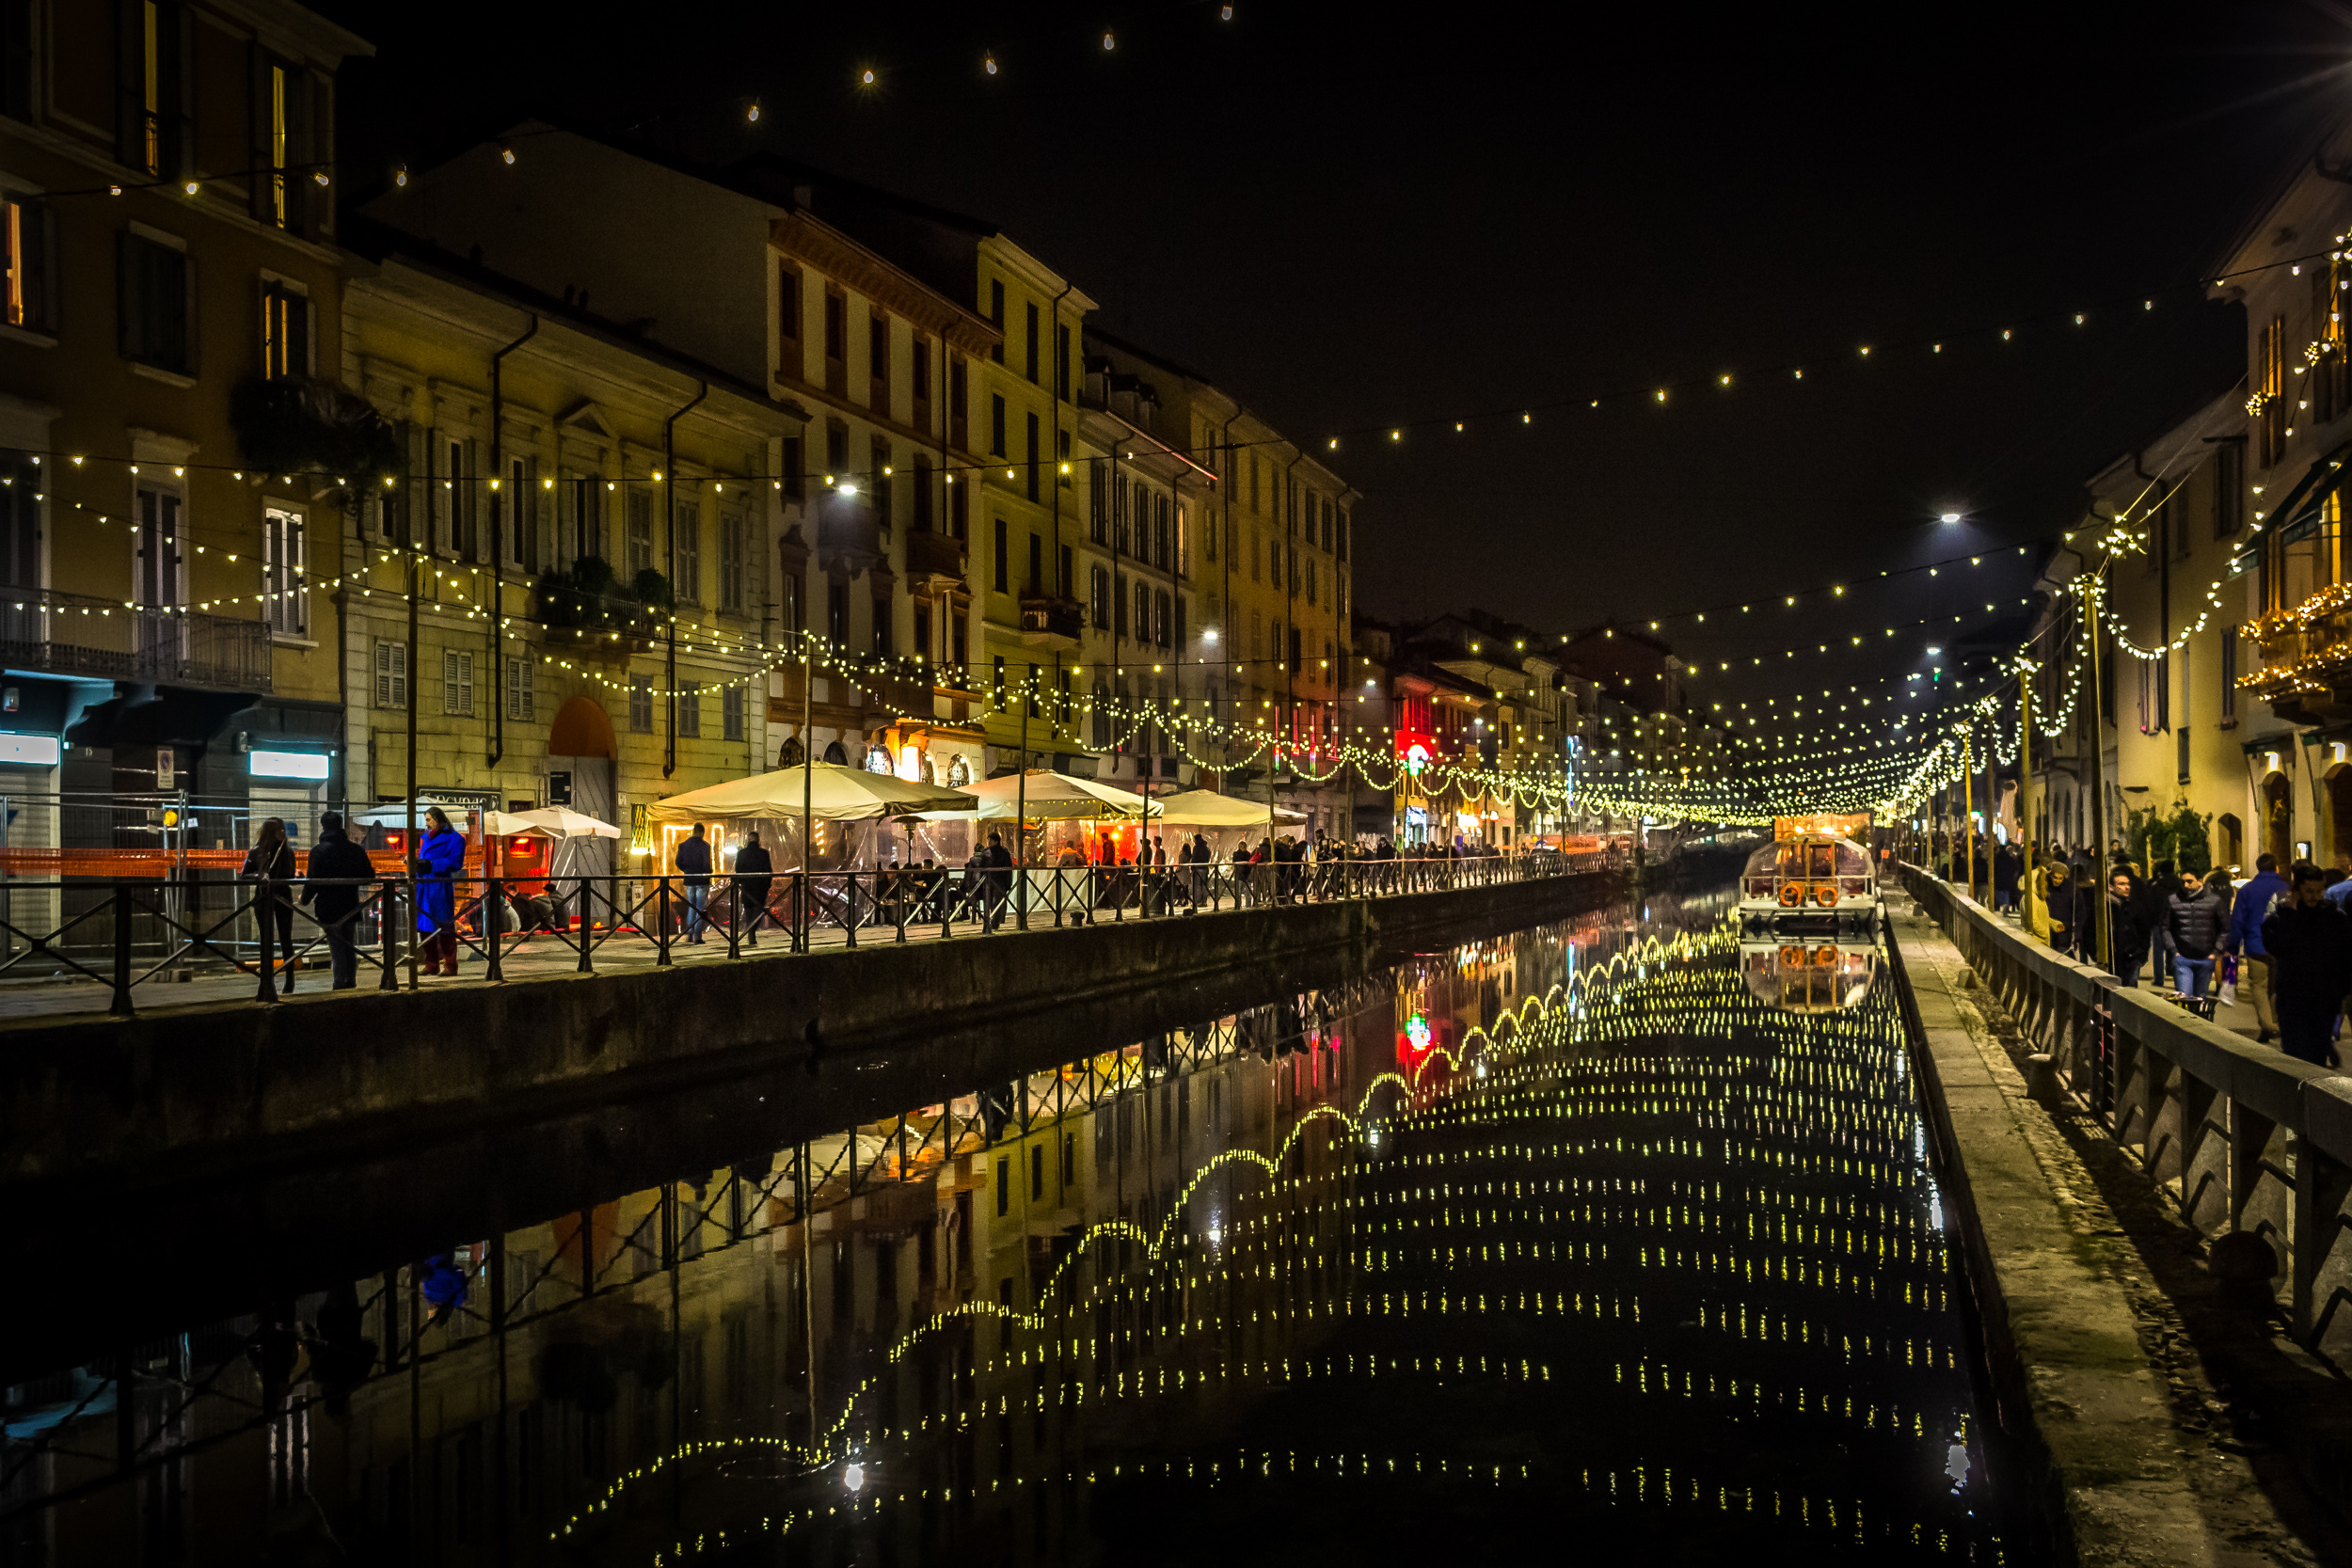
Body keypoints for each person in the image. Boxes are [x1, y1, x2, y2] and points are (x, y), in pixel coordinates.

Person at [2261, 862, 2352, 1067]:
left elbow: (2346, 957)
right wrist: (2291, 913)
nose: (2316, 897)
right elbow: (2279, 948)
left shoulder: (2336, 919)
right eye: (2309, 891)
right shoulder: (2280, 919)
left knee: (2316, 1059)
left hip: (2325, 1000)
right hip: (2293, 999)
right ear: (2296, 890)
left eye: (2320, 891)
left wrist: (2341, 992)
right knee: (2295, 1058)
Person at [300, 811, 378, 990]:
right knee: (349, 943)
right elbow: (368, 874)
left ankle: (340, 982)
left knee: (336, 946)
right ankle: (350, 980)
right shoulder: (355, 849)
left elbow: (313, 880)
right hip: (350, 902)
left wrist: (305, 899)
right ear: (341, 824)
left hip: (328, 905)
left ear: (323, 826)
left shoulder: (318, 851)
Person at [2227, 852, 2291, 1044]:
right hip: (2282, 946)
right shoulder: (2286, 887)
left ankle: (2267, 1025)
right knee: (2277, 985)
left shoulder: (2247, 890)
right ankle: (2274, 1023)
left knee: (2258, 985)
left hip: (2256, 944)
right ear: (2276, 868)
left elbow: (2237, 920)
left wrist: (2233, 946)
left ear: (2258, 868)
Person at [240, 816, 299, 992]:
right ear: (270, 832)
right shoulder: (256, 852)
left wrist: (295, 877)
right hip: (263, 897)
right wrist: (258, 876)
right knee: (266, 939)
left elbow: (290, 876)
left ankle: (290, 979)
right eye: (278, 829)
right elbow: (244, 875)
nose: (282, 832)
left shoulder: (287, 852)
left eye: (283, 829)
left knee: (285, 938)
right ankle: (266, 981)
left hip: (283, 896)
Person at [413, 807, 468, 975]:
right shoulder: (427, 838)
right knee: (424, 927)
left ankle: (450, 965)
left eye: (429, 820)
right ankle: (431, 964)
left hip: (439, 887)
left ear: (438, 819)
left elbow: (456, 862)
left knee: (444, 927)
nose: (427, 823)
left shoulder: (455, 838)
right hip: (424, 886)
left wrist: (431, 864)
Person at [2167, 869, 2226, 1000]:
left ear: (2200, 882)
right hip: (2183, 958)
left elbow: (2225, 928)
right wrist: (2173, 949)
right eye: (2183, 882)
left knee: (2200, 999)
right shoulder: (2173, 900)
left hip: (2205, 958)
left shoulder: (2214, 901)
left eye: (2189, 881)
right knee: (2184, 998)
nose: (2185, 885)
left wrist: (2216, 951)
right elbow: (2165, 927)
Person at [2106, 868, 2155, 986]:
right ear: (2111, 887)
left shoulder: (2136, 907)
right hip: (2110, 959)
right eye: (2121, 884)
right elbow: (2089, 932)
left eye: (2128, 884)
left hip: (2132, 957)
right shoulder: (2104, 907)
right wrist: (2097, 955)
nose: (2127, 887)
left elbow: (2145, 932)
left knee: (2130, 992)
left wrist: (2141, 956)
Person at [675, 823, 713, 943]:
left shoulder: (683, 845)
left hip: (689, 879)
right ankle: (697, 936)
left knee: (691, 906)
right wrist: (708, 873)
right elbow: (706, 864)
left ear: (693, 831)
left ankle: (690, 933)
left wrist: (686, 870)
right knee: (700, 908)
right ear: (702, 832)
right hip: (702, 880)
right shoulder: (705, 846)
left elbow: (678, 862)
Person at [735, 830, 775, 943]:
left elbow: (738, 870)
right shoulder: (764, 853)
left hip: (747, 886)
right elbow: (768, 870)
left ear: (748, 840)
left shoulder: (741, 853)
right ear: (758, 840)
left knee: (748, 910)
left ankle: (750, 931)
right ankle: (752, 931)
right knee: (759, 910)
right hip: (760, 886)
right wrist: (767, 884)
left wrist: (741, 883)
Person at [1993, 842, 2021, 914]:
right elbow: (2015, 868)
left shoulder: (1996, 859)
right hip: (2008, 880)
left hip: (1998, 881)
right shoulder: (2010, 859)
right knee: (2006, 894)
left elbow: (1993, 869)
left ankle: (1998, 908)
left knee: (1998, 895)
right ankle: (2006, 908)